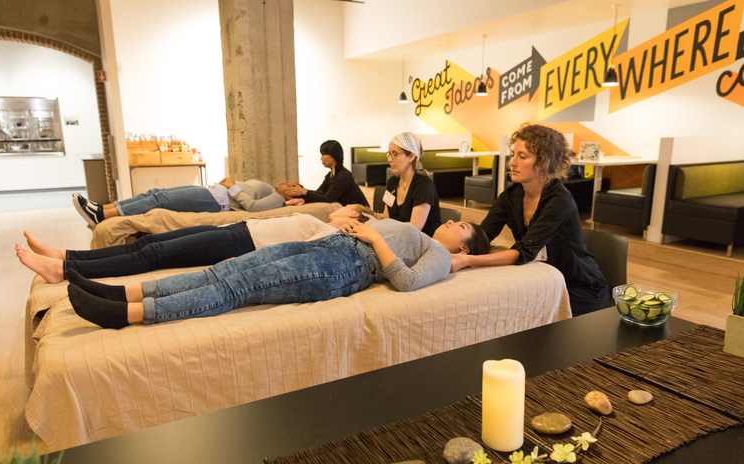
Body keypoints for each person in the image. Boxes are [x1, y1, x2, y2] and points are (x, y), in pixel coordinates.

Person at [65, 216, 490, 329]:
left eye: (462, 228)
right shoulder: (418, 232)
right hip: (330, 246)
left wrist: (373, 238)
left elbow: (407, 282)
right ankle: (124, 295)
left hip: (345, 266)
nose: (452, 223)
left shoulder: (439, 255)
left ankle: (127, 315)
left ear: (465, 247)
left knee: (240, 285)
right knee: (224, 268)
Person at [450, 124, 608, 316]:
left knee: (510, 310)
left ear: (545, 162)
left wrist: (466, 260)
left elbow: (523, 252)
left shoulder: (559, 200)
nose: (512, 163)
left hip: (578, 288)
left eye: (522, 156)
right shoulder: (510, 196)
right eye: (512, 154)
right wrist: (447, 250)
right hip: (540, 279)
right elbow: (481, 237)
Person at [16, 205, 374, 283]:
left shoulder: (327, 231)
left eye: (346, 210)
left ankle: (62, 271)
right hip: (238, 228)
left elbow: (296, 256)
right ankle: (68, 255)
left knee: (154, 254)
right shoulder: (317, 221)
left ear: (355, 217)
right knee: (151, 241)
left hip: (241, 242)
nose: (338, 209)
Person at [73, 178, 292, 228]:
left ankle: (102, 216)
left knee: (160, 200)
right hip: (214, 193)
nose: (286, 182)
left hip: (217, 202)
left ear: (291, 196)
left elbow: (253, 207)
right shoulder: (272, 188)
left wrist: (232, 186)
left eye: (291, 184)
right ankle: (103, 209)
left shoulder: (278, 198)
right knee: (155, 192)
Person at [381, 132, 442, 237]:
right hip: (398, 238)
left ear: (411, 157)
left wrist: (382, 228)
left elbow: (415, 227)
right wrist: (365, 215)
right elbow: (386, 216)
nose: (389, 159)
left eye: (395, 154)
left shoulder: (424, 185)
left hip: (423, 243)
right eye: (389, 154)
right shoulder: (392, 182)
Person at [284, 140, 369, 207]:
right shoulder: (331, 175)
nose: (321, 158)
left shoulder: (343, 176)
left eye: (323, 154)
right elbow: (320, 192)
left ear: (333, 156)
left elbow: (328, 198)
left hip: (360, 213)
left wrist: (304, 192)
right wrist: (300, 190)